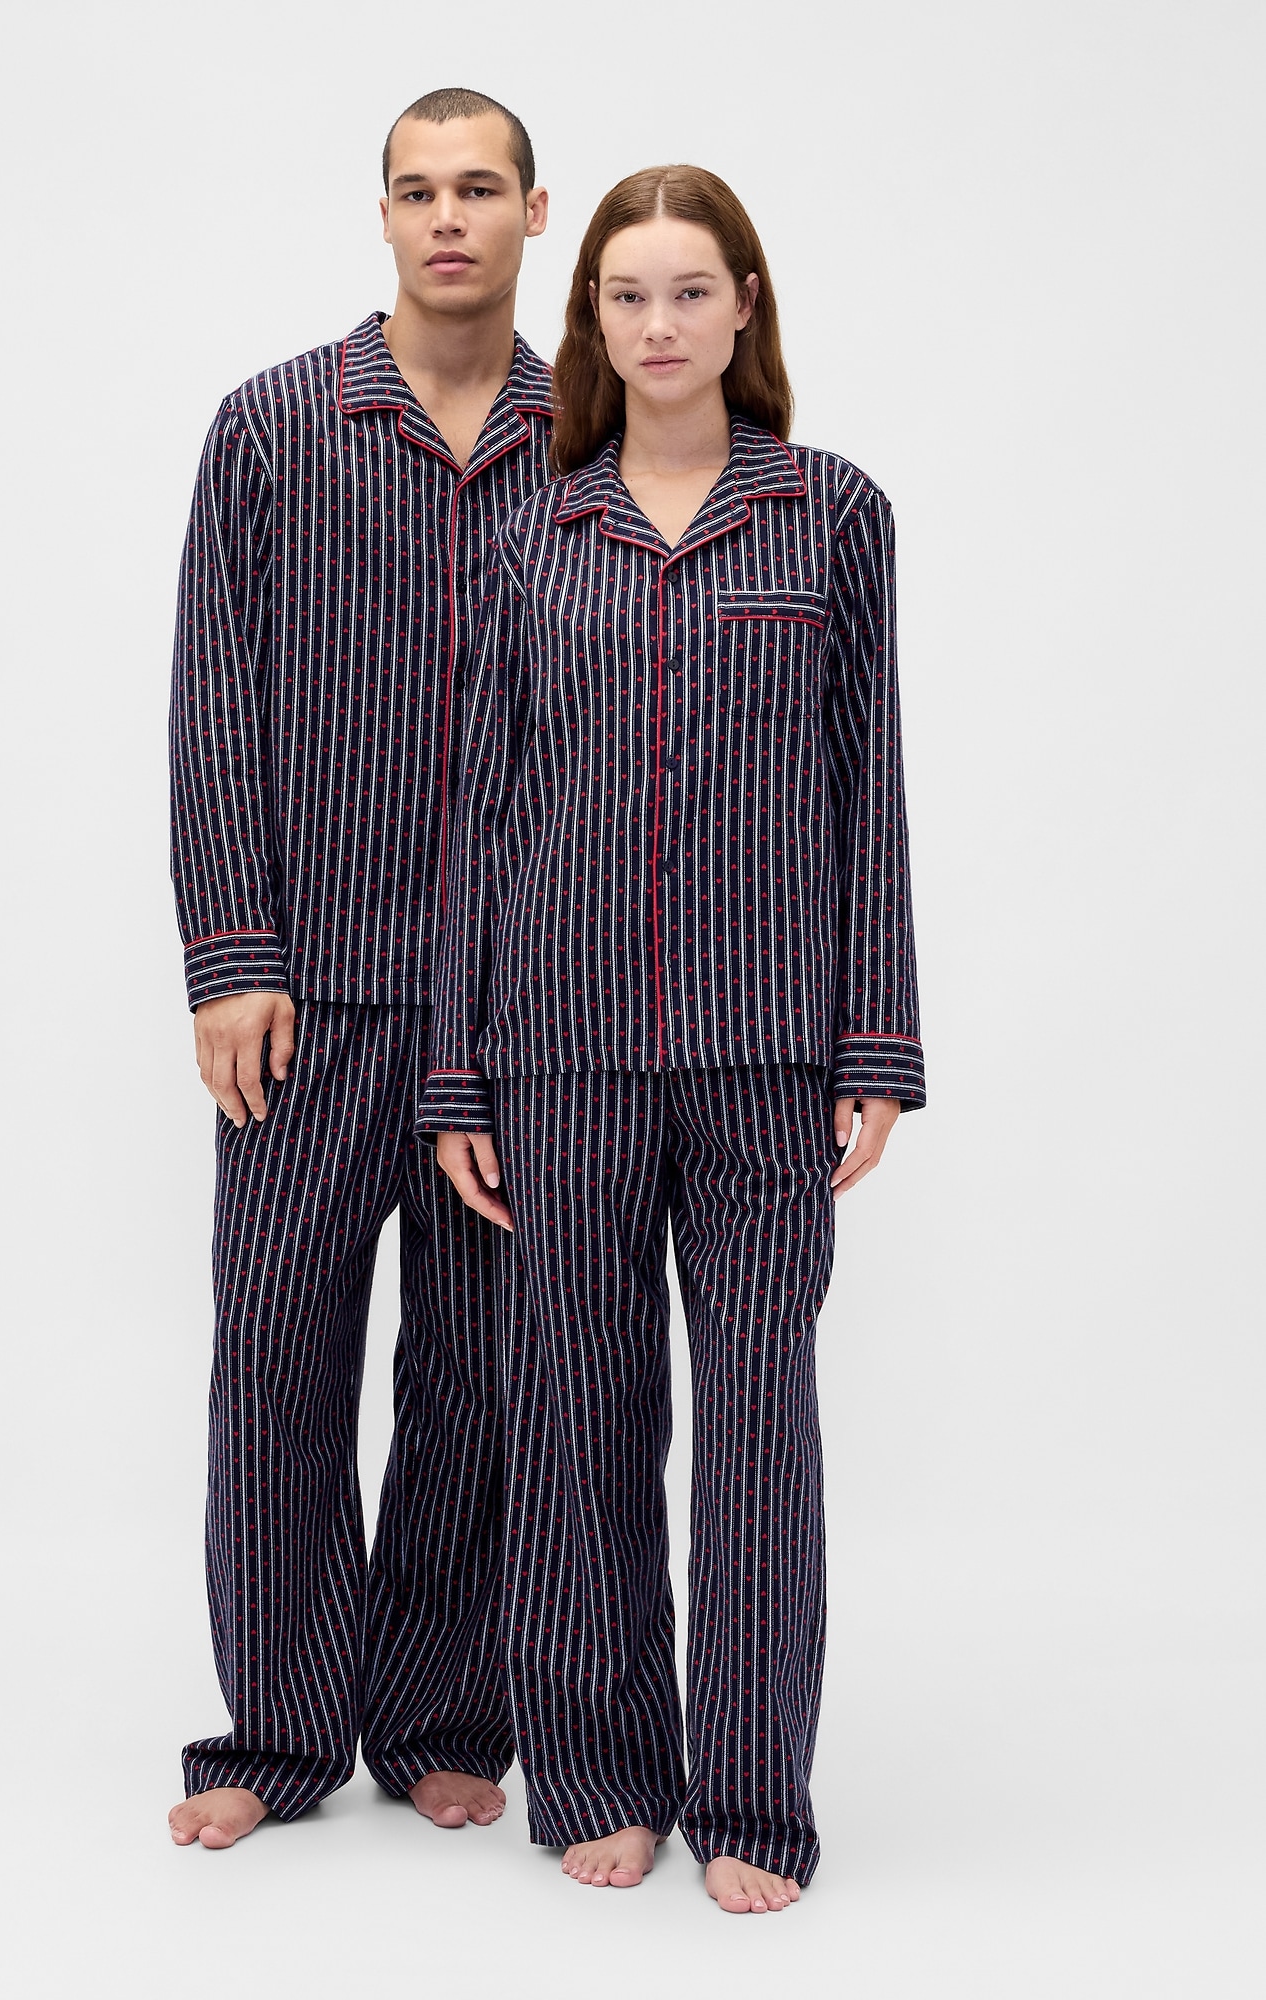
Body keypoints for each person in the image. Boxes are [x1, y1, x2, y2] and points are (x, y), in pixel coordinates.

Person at [420, 165, 924, 1913]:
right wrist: (458, 1064)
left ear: (744, 307)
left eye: (690, 291)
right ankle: (602, 1771)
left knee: (761, 1423)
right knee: (578, 1421)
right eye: (627, 295)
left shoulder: (833, 515)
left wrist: (875, 1043)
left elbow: (870, 792)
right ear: (593, 318)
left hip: (763, 1049)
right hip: (558, 1051)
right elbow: (478, 819)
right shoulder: (531, 531)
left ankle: (755, 1795)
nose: (658, 325)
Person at [166, 88, 551, 1850]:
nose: (447, 217)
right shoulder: (270, 426)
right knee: (278, 1362)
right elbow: (213, 701)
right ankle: (276, 1731)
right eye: (417, 190)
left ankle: (439, 1714)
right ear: (382, 215)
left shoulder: (592, 438)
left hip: (515, 1013)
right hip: (306, 998)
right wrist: (232, 956)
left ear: (534, 211)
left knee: (482, 1378)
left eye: (479, 188)